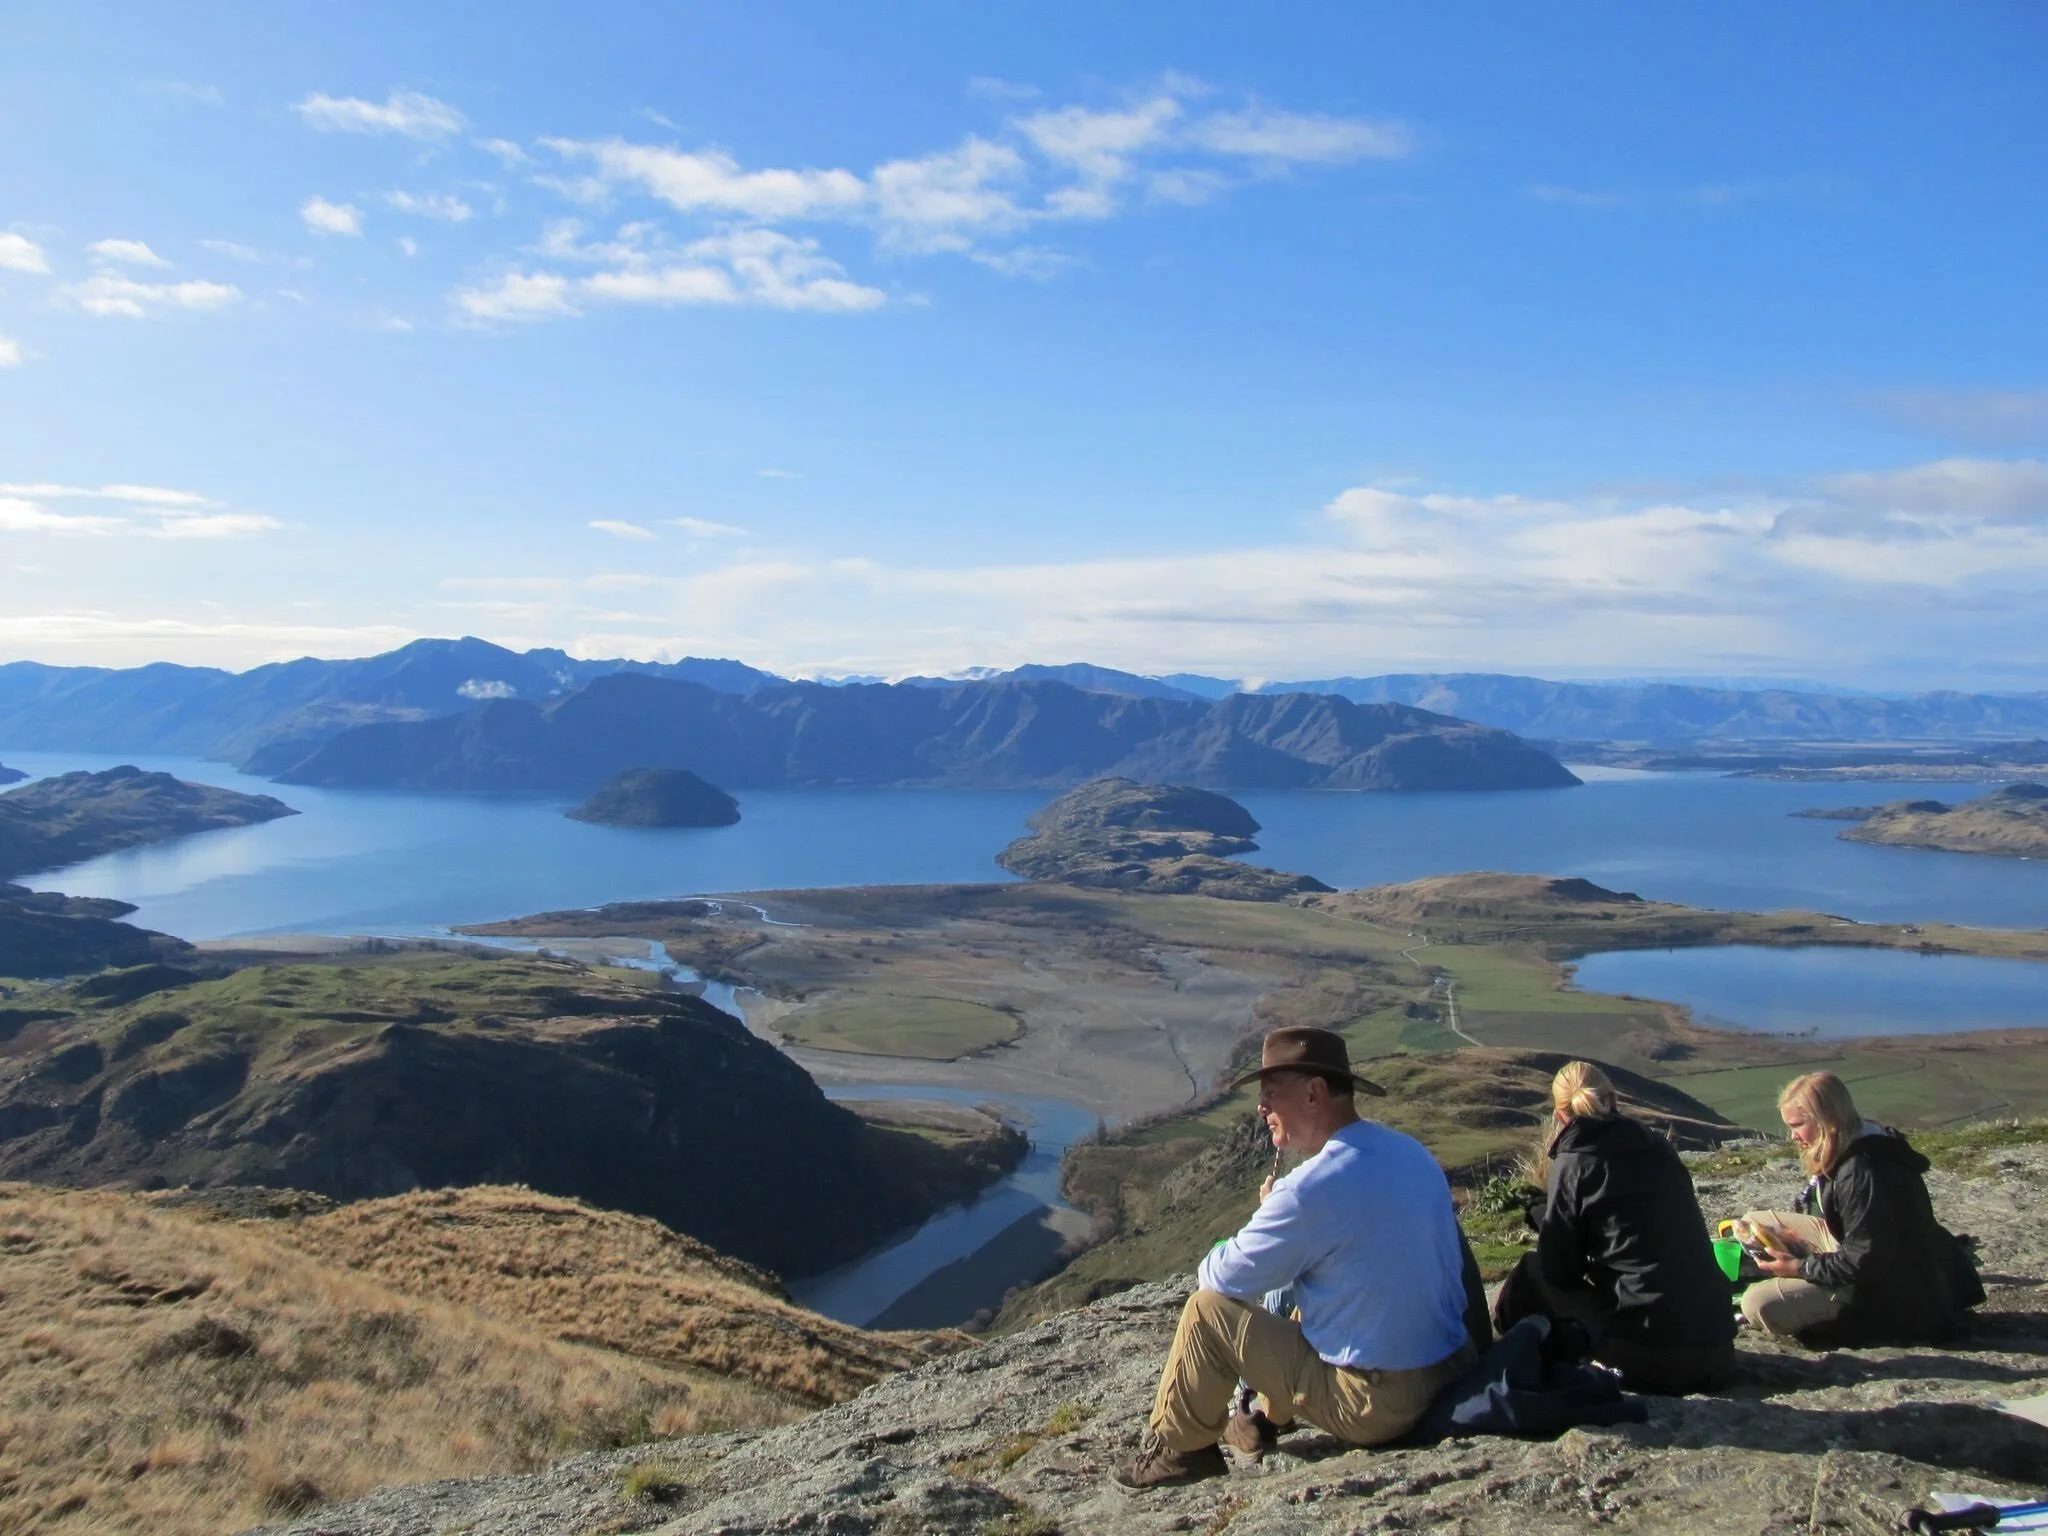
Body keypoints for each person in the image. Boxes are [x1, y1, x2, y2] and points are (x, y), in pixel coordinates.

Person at [1114, 1027, 1475, 1492]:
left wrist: (1261, 1221)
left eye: (1270, 1094)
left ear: (1314, 1093)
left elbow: (1223, 1279)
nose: (1261, 1108)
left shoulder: (1311, 1188)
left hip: (1380, 1405)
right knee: (1314, 1300)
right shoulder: (1410, 1153)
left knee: (1206, 1314)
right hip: (1451, 1370)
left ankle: (1179, 1453)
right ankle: (1263, 1420)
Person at [1492, 1061, 1736, 1393]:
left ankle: (1506, 1357)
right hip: (1718, 1347)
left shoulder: (1574, 1162)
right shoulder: (1659, 1147)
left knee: (1531, 1270)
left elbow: (1558, 1272)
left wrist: (1550, 1223)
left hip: (1651, 1358)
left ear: (1560, 1115)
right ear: (1614, 1098)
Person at [1738, 1070, 1983, 1347]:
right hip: (1868, 1256)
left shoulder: (1862, 1172)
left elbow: (1866, 1261)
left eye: (1797, 1125)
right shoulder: (1856, 1141)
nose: (1792, 1136)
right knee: (1751, 1223)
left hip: (1889, 1293)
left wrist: (1800, 1266)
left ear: (1825, 1120)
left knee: (1757, 1304)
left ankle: (1833, 1313)